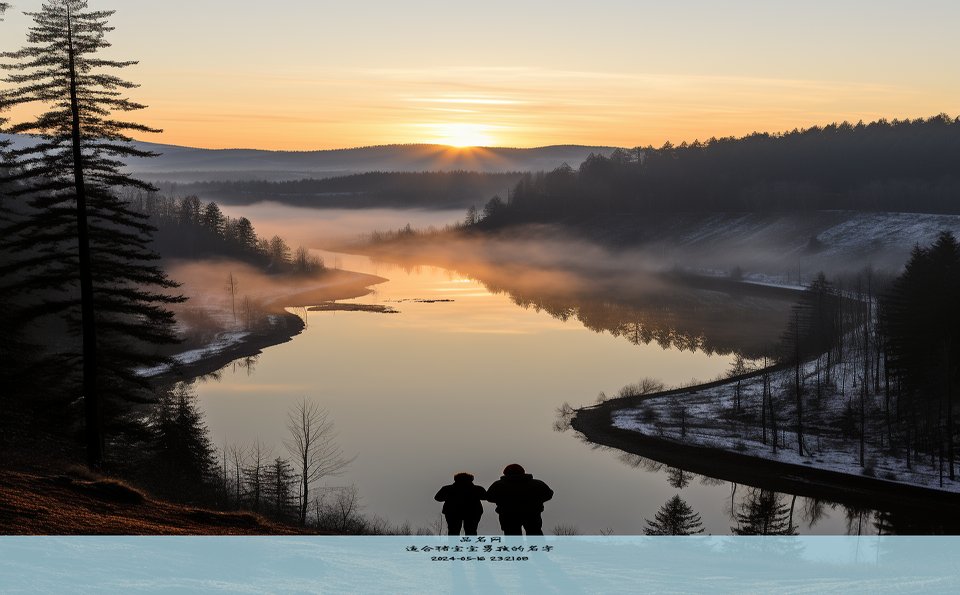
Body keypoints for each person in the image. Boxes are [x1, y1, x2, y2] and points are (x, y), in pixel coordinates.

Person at [484, 463, 553, 536]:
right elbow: (548, 494)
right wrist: (537, 501)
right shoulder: (537, 483)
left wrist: (502, 501)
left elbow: (489, 497)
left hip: (508, 515)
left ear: (505, 473)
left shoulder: (498, 485)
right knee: (535, 534)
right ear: (523, 471)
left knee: (512, 538)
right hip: (532, 513)